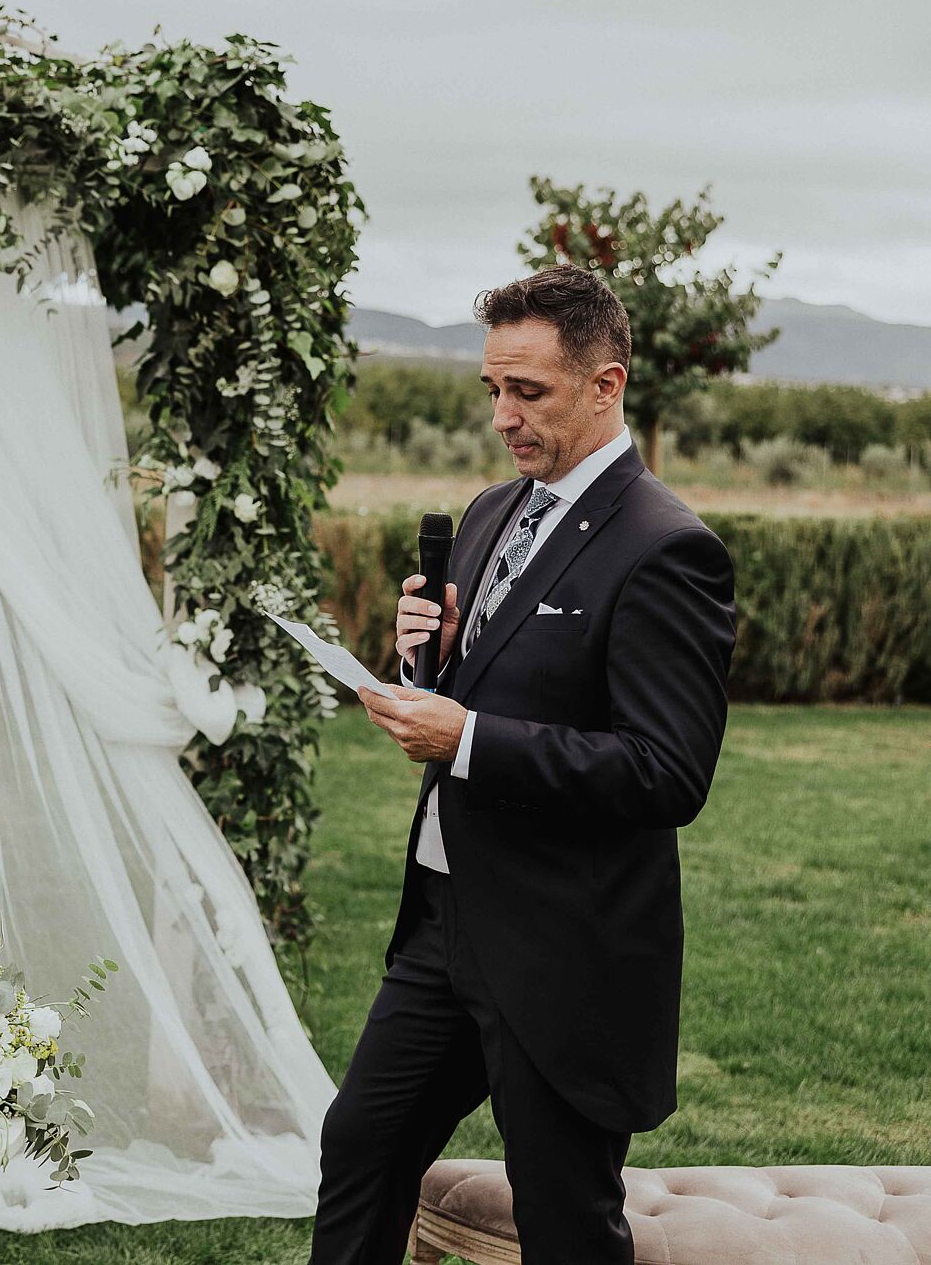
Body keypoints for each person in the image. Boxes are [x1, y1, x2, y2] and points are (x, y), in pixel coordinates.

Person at [308, 266, 737, 1263]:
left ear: (604, 385)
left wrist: (460, 735)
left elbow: (665, 771)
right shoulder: (493, 509)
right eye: (491, 389)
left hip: (559, 945)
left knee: (562, 1223)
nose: (501, 415)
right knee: (359, 1147)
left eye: (528, 392)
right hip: (440, 928)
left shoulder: (666, 549)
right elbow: (497, 681)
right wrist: (433, 655)